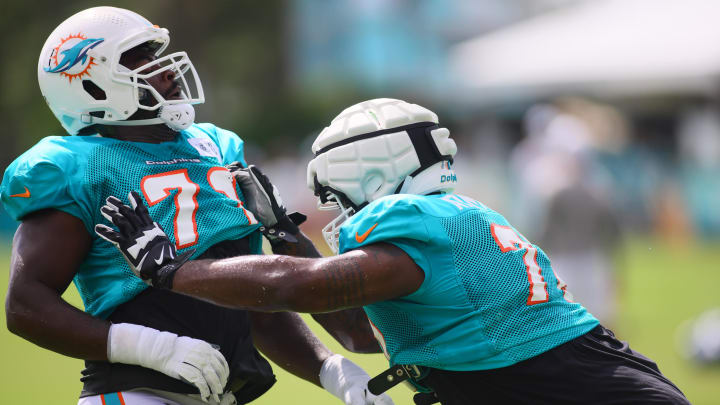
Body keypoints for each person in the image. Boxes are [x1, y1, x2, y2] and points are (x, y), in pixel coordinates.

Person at [98, 98, 691, 405]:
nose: (338, 207)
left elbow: (296, 288)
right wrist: (285, 235)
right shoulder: (453, 217)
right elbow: (359, 330)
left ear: (370, 173)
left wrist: (173, 270)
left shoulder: (416, 222)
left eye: (337, 193)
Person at [2, 7, 391, 405]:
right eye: (139, 62)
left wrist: (330, 370)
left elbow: (252, 301)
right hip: (136, 394)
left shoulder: (214, 149)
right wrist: (149, 346)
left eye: (155, 58)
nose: (165, 71)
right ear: (93, 88)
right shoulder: (76, 166)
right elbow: (26, 305)